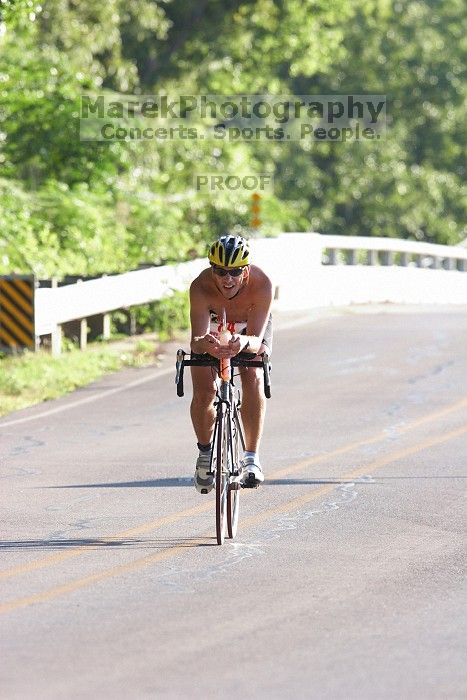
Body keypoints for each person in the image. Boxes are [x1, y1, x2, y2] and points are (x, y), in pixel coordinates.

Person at [189, 234, 273, 493]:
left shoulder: (262, 285)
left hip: (249, 331)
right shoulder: (200, 287)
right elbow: (196, 341)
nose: (228, 279)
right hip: (214, 327)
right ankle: (205, 455)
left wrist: (242, 342)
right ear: (211, 269)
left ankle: (251, 459)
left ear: (245, 271)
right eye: (221, 271)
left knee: (253, 376)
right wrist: (206, 343)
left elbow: (257, 340)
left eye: (235, 272)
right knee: (205, 389)